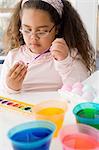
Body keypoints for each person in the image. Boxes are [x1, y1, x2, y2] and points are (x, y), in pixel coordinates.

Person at [0, 0, 95, 93]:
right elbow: (3, 93)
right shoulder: (13, 56)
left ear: (57, 29)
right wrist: (11, 87)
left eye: (42, 31)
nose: (33, 38)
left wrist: (64, 62)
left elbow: (82, 89)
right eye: (27, 29)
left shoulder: (69, 55)